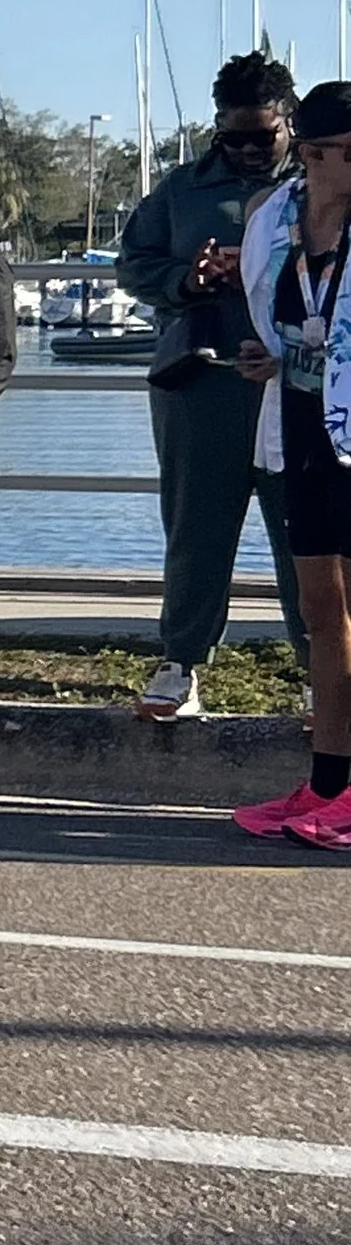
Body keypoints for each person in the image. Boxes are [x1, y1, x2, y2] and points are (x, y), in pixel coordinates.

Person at [117, 51, 309, 719]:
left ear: (290, 122)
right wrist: (187, 280)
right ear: (216, 127)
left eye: (265, 135)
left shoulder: (321, 186)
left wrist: (262, 264)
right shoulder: (181, 189)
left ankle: (322, 670)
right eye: (236, 137)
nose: (252, 149)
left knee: (307, 533)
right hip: (201, 383)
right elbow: (133, 263)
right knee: (195, 530)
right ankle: (182, 662)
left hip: (295, 386)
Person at [233, 82, 351, 846]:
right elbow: (281, 313)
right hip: (307, 428)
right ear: (310, 154)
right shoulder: (273, 218)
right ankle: (328, 780)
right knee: (322, 614)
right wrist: (270, 357)